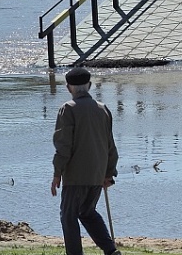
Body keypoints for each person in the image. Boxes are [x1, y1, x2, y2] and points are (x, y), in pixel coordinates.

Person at [51, 67, 121, 255]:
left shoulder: (68, 109)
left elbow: (63, 146)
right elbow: (110, 146)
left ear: (68, 88)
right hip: (97, 175)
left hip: (75, 176)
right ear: (89, 86)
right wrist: (109, 173)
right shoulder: (103, 109)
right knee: (87, 212)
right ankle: (111, 251)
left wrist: (57, 173)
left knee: (68, 216)